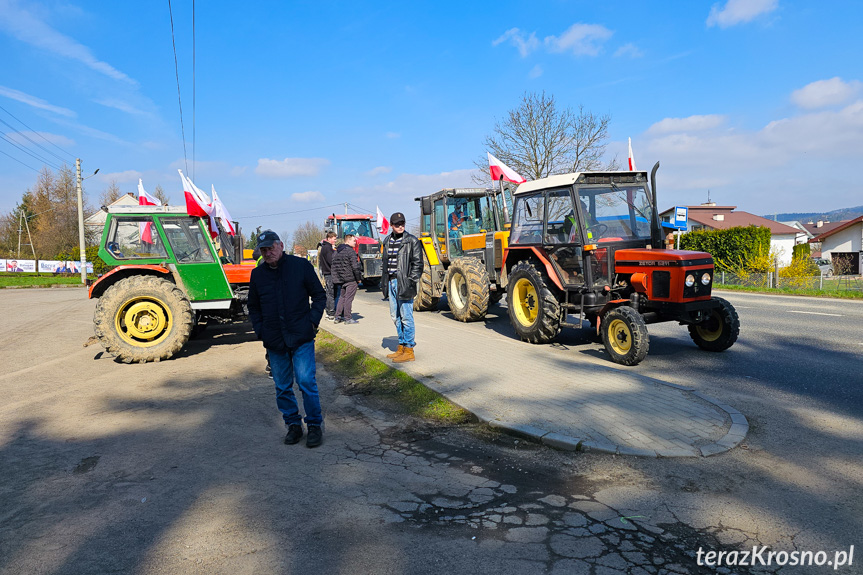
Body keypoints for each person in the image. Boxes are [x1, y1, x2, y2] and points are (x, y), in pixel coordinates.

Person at [247, 230, 327, 448]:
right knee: (282, 386)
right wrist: (261, 330)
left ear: (280, 245)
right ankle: (293, 425)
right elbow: (253, 306)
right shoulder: (258, 275)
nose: (268, 253)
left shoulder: (300, 267)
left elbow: (320, 296)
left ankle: (314, 426)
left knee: (306, 382)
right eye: (263, 250)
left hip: (301, 336)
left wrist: (312, 322)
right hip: (274, 340)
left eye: (271, 248)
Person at [381, 212, 423, 363]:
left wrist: (411, 280)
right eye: (397, 224)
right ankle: (401, 346)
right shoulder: (387, 241)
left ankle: (409, 350)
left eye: (402, 223)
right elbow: (384, 264)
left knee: (406, 317)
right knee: (395, 316)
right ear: (391, 226)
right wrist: (384, 283)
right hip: (391, 282)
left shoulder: (412, 241)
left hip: (403, 282)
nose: (400, 226)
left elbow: (418, 264)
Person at [331, 234, 362, 324]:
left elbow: (333, 266)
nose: (355, 243)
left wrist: (337, 278)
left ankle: (337, 317)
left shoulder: (336, 252)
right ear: (348, 241)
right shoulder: (350, 251)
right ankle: (348, 318)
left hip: (341, 279)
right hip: (350, 279)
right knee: (348, 298)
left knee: (342, 297)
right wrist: (358, 278)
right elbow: (355, 267)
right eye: (354, 241)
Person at [318, 232, 338, 320]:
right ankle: (331, 313)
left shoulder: (324, 247)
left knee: (329, 293)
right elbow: (331, 261)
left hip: (327, 273)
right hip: (330, 273)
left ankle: (328, 311)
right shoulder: (328, 248)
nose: (335, 240)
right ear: (329, 238)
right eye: (334, 238)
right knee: (331, 293)